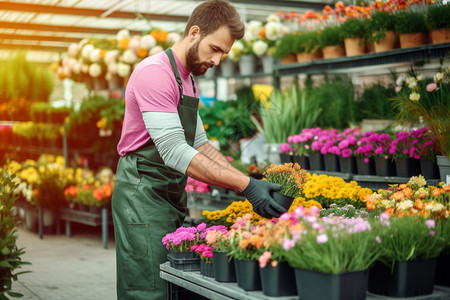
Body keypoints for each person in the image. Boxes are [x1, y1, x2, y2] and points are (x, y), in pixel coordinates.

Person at [111, 0, 287, 299]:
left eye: (224, 53)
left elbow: (199, 145)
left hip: (167, 192)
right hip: (142, 193)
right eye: (215, 49)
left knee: (169, 286)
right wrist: (245, 186)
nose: (218, 60)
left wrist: (250, 182)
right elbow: (174, 151)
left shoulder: (187, 81)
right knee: (148, 289)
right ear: (194, 32)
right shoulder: (155, 73)